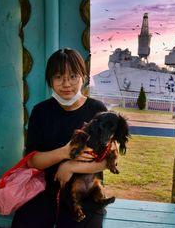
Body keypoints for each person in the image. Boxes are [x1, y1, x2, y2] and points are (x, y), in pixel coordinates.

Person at [12, 48, 108, 228]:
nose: (66, 84)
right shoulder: (41, 111)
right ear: (50, 80)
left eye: (73, 76)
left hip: (85, 191)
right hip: (45, 190)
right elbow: (33, 161)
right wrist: (65, 152)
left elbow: (109, 160)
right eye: (58, 77)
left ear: (83, 77)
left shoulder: (97, 110)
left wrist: (71, 166)